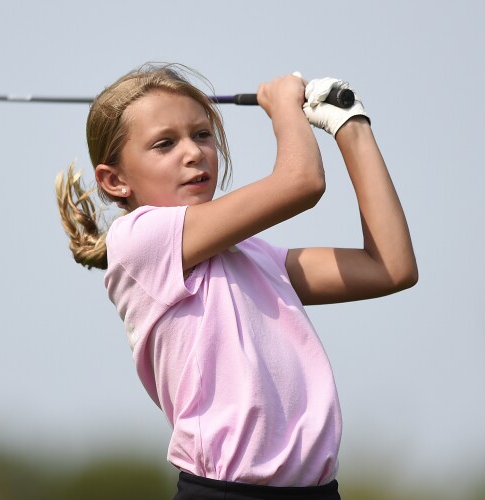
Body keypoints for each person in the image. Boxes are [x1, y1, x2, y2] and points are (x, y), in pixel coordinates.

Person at [55, 63, 417, 500]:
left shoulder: (256, 258)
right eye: (165, 143)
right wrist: (284, 107)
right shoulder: (138, 240)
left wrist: (350, 123)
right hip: (226, 493)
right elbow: (301, 182)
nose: (193, 152)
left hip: (317, 493)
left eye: (201, 134)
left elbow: (390, 267)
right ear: (115, 181)